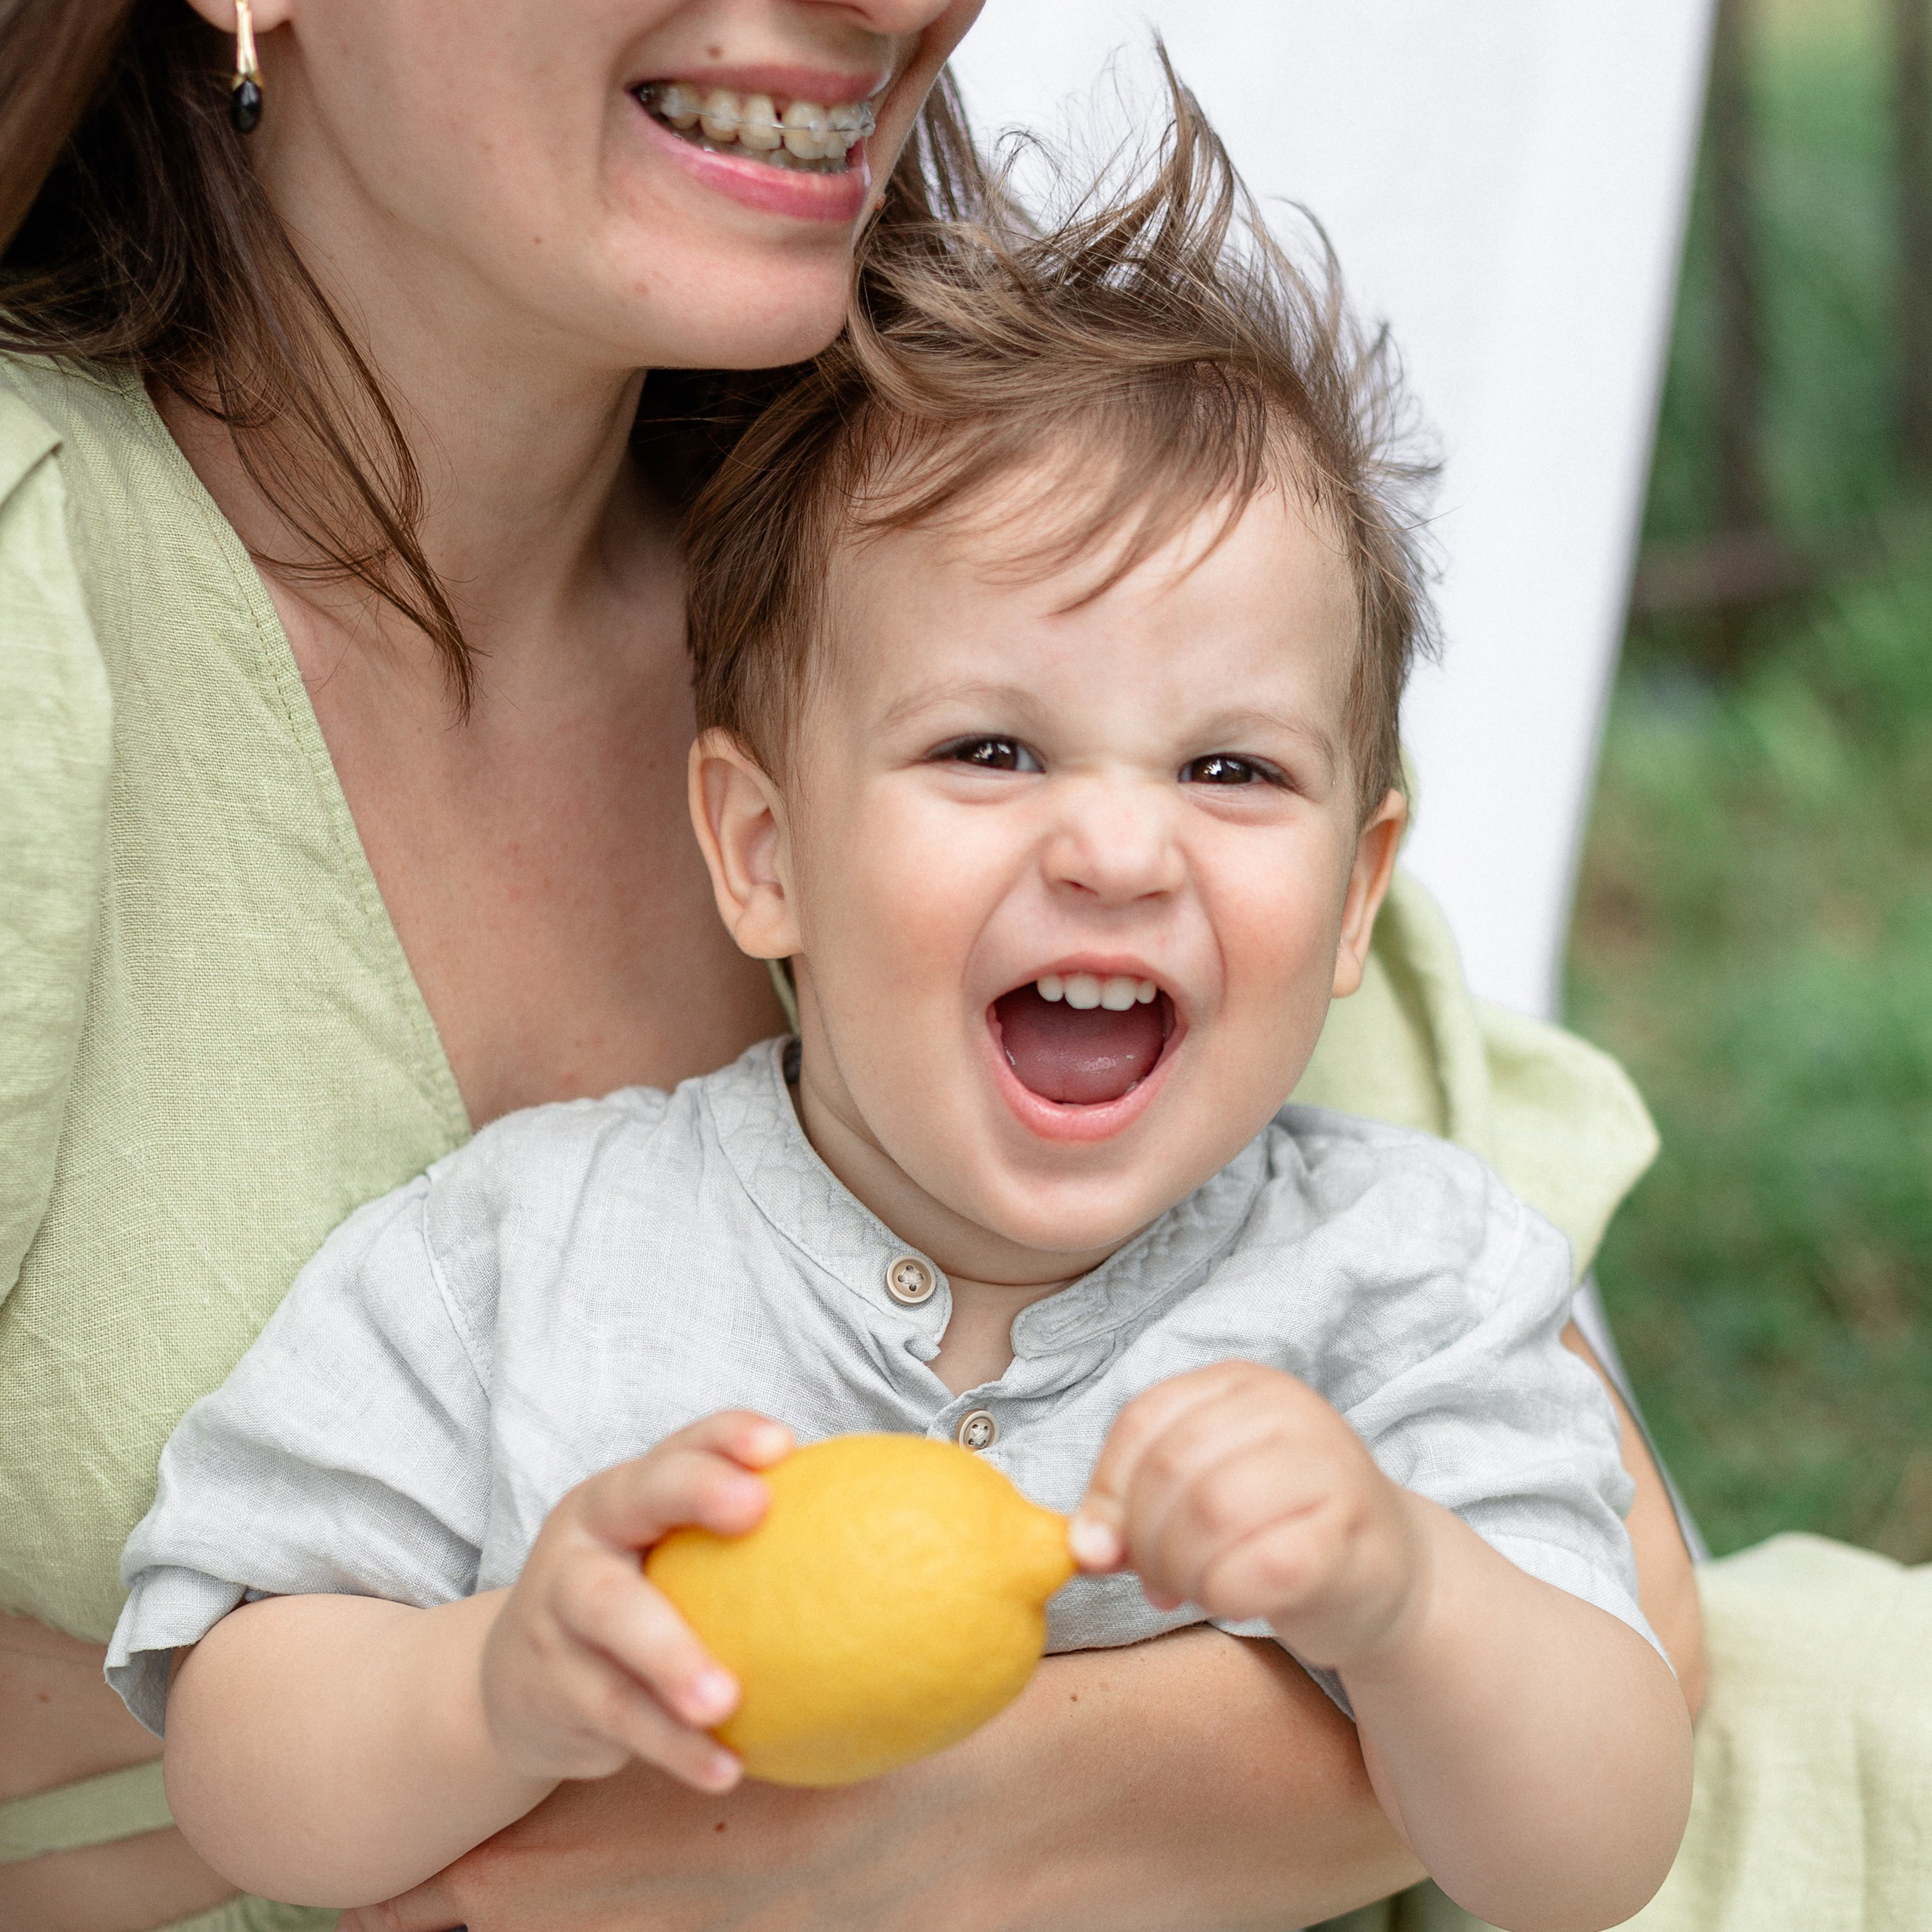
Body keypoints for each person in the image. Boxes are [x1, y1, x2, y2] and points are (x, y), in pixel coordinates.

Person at [0, 4, 1700, 1930]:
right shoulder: (533, 1251)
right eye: (989, 751)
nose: (1120, 845)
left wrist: (1397, 1602)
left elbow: (1615, 1758)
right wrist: (491, 1681)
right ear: (753, 842)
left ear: (1358, 881)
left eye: (1229, 770)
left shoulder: (1376, 1264)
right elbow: (254, 1729)